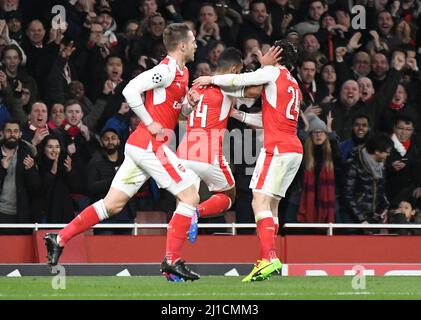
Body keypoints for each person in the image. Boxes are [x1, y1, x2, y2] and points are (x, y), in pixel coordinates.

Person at [44, 23, 202, 282]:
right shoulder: (166, 69)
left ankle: (58, 238)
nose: (196, 45)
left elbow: (176, 113)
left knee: (112, 204)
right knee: (190, 195)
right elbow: (129, 90)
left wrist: (188, 105)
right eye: (193, 40)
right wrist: (148, 121)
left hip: (142, 147)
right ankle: (172, 260)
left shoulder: (183, 73)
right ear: (182, 45)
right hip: (151, 145)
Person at [194, 39, 302, 282]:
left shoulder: (272, 72)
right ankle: (266, 258)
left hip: (277, 149)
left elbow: (239, 80)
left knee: (258, 203)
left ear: (276, 55)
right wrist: (239, 114)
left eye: (267, 51)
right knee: (271, 206)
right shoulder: (294, 84)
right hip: (293, 148)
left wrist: (211, 79)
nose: (262, 54)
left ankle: (269, 257)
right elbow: (268, 120)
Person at [177, 47, 262, 238]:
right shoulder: (228, 86)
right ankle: (197, 212)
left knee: (183, 202)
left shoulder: (197, 85)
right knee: (228, 197)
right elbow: (256, 90)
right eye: (239, 72)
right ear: (233, 71)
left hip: (184, 152)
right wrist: (263, 66)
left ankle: (172, 255)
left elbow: (182, 115)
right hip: (208, 153)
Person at [342, 133, 392, 225]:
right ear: (377, 151)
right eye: (387, 152)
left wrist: (385, 207)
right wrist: (361, 219)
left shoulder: (381, 167)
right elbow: (347, 195)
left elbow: (380, 190)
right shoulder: (354, 165)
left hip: (372, 218)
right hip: (353, 219)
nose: (388, 155)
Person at [0, 119, 40, 234]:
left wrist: (31, 170)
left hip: (20, 215)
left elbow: (36, 188)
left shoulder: (27, 154)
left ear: (20, 134)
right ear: (2, 133)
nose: (12, 134)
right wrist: (2, 169)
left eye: (15, 131)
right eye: (8, 131)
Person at [33, 134, 79, 223]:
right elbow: (38, 189)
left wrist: (69, 171)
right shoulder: (37, 164)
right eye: (50, 147)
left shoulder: (66, 163)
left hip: (64, 213)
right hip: (44, 214)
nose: (54, 150)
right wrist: (52, 173)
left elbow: (75, 187)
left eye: (57, 147)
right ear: (44, 148)